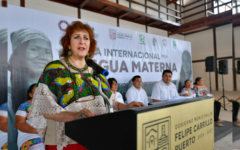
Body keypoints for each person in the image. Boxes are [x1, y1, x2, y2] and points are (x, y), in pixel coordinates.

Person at [28, 21, 144, 150]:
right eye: (76, 37)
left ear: (90, 45)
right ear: (68, 44)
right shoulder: (54, 69)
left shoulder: (96, 71)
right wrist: (74, 115)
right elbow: (43, 107)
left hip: (97, 135)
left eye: (86, 38)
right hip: (67, 139)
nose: (82, 41)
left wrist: (126, 106)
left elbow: (110, 101)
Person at [8, 28, 54, 150]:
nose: (43, 56)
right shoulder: (18, 104)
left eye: (47, 51)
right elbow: (19, 124)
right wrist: (39, 131)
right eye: (34, 49)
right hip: (32, 141)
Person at [15, 83, 45, 150]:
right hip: (30, 136)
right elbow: (19, 124)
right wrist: (39, 131)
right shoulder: (25, 106)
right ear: (30, 94)